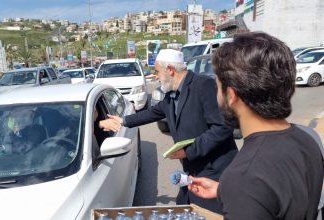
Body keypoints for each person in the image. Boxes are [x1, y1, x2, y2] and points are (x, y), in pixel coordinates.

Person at [187, 32, 324, 219]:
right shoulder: (307, 138)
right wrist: (225, 191)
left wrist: (238, 191)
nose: (217, 96)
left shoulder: (244, 175)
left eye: (217, 87)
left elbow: (258, 184)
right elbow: (284, 195)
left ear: (232, 95)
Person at [103, 49, 238, 213]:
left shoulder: (203, 86)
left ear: (170, 70)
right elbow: (152, 113)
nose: (156, 77)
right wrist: (123, 121)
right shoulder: (170, 96)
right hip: (192, 171)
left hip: (214, 171)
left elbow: (222, 127)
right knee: (183, 210)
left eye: (157, 71)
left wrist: (188, 151)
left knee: (208, 214)